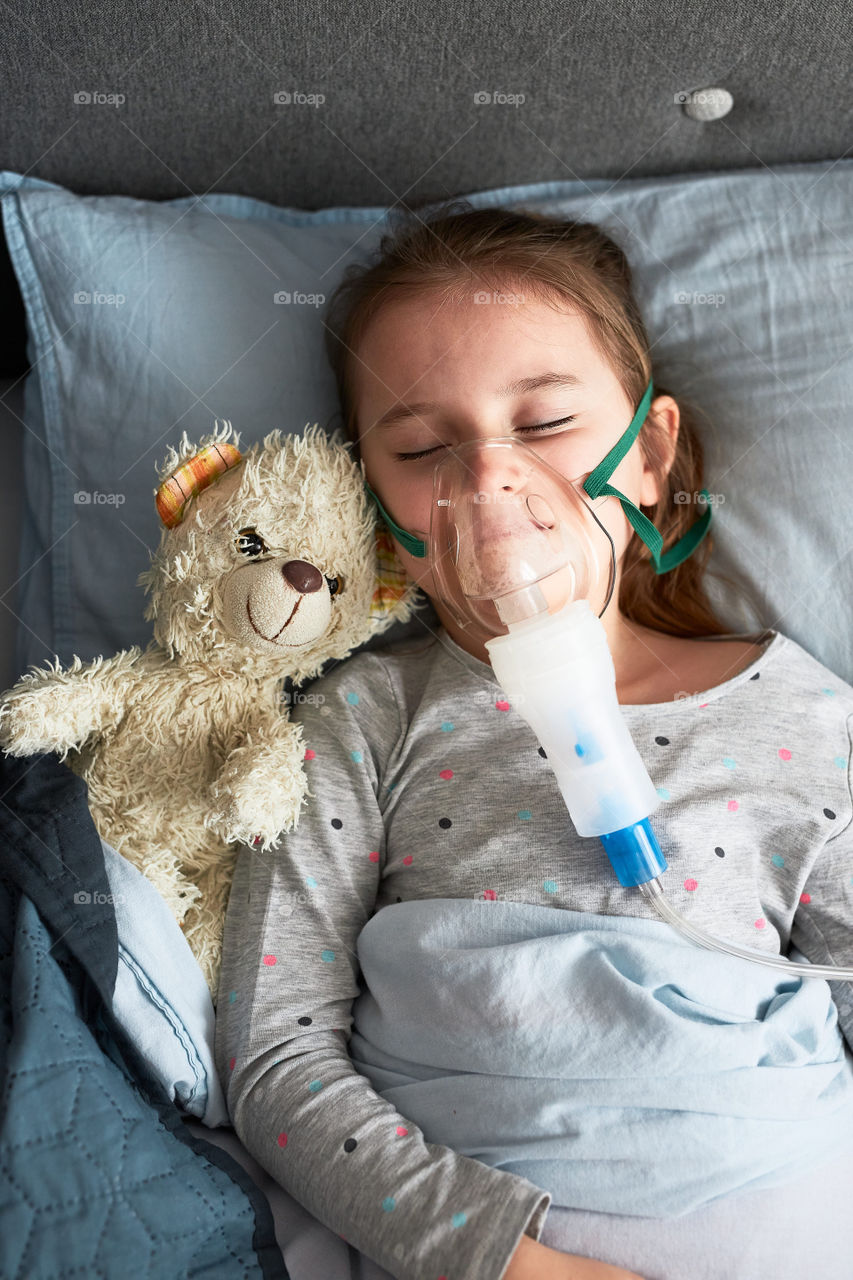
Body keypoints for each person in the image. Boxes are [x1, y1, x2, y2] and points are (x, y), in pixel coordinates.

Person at [214, 204, 853, 1280]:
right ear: (378, 514)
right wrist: (514, 1265)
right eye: (423, 446)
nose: (488, 484)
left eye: (545, 423)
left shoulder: (807, 718)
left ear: (650, 457)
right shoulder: (361, 721)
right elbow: (273, 1053)